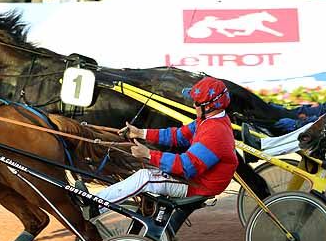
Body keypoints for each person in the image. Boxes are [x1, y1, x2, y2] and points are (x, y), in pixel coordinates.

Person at [95, 76, 239, 207]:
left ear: (208, 106)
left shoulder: (215, 132)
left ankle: (95, 203)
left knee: (145, 178)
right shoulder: (209, 120)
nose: (193, 105)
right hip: (196, 178)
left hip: (199, 185)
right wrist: (140, 133)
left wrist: (149, 154)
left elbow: (186, 166)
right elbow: (178, 136)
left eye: (196, 102)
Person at [242, 61, 326, 160]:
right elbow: (322, 111)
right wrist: (287, 111)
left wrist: (297, 124)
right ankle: (261, 146)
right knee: (312, 130)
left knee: (312, 132)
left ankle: (260, 152)